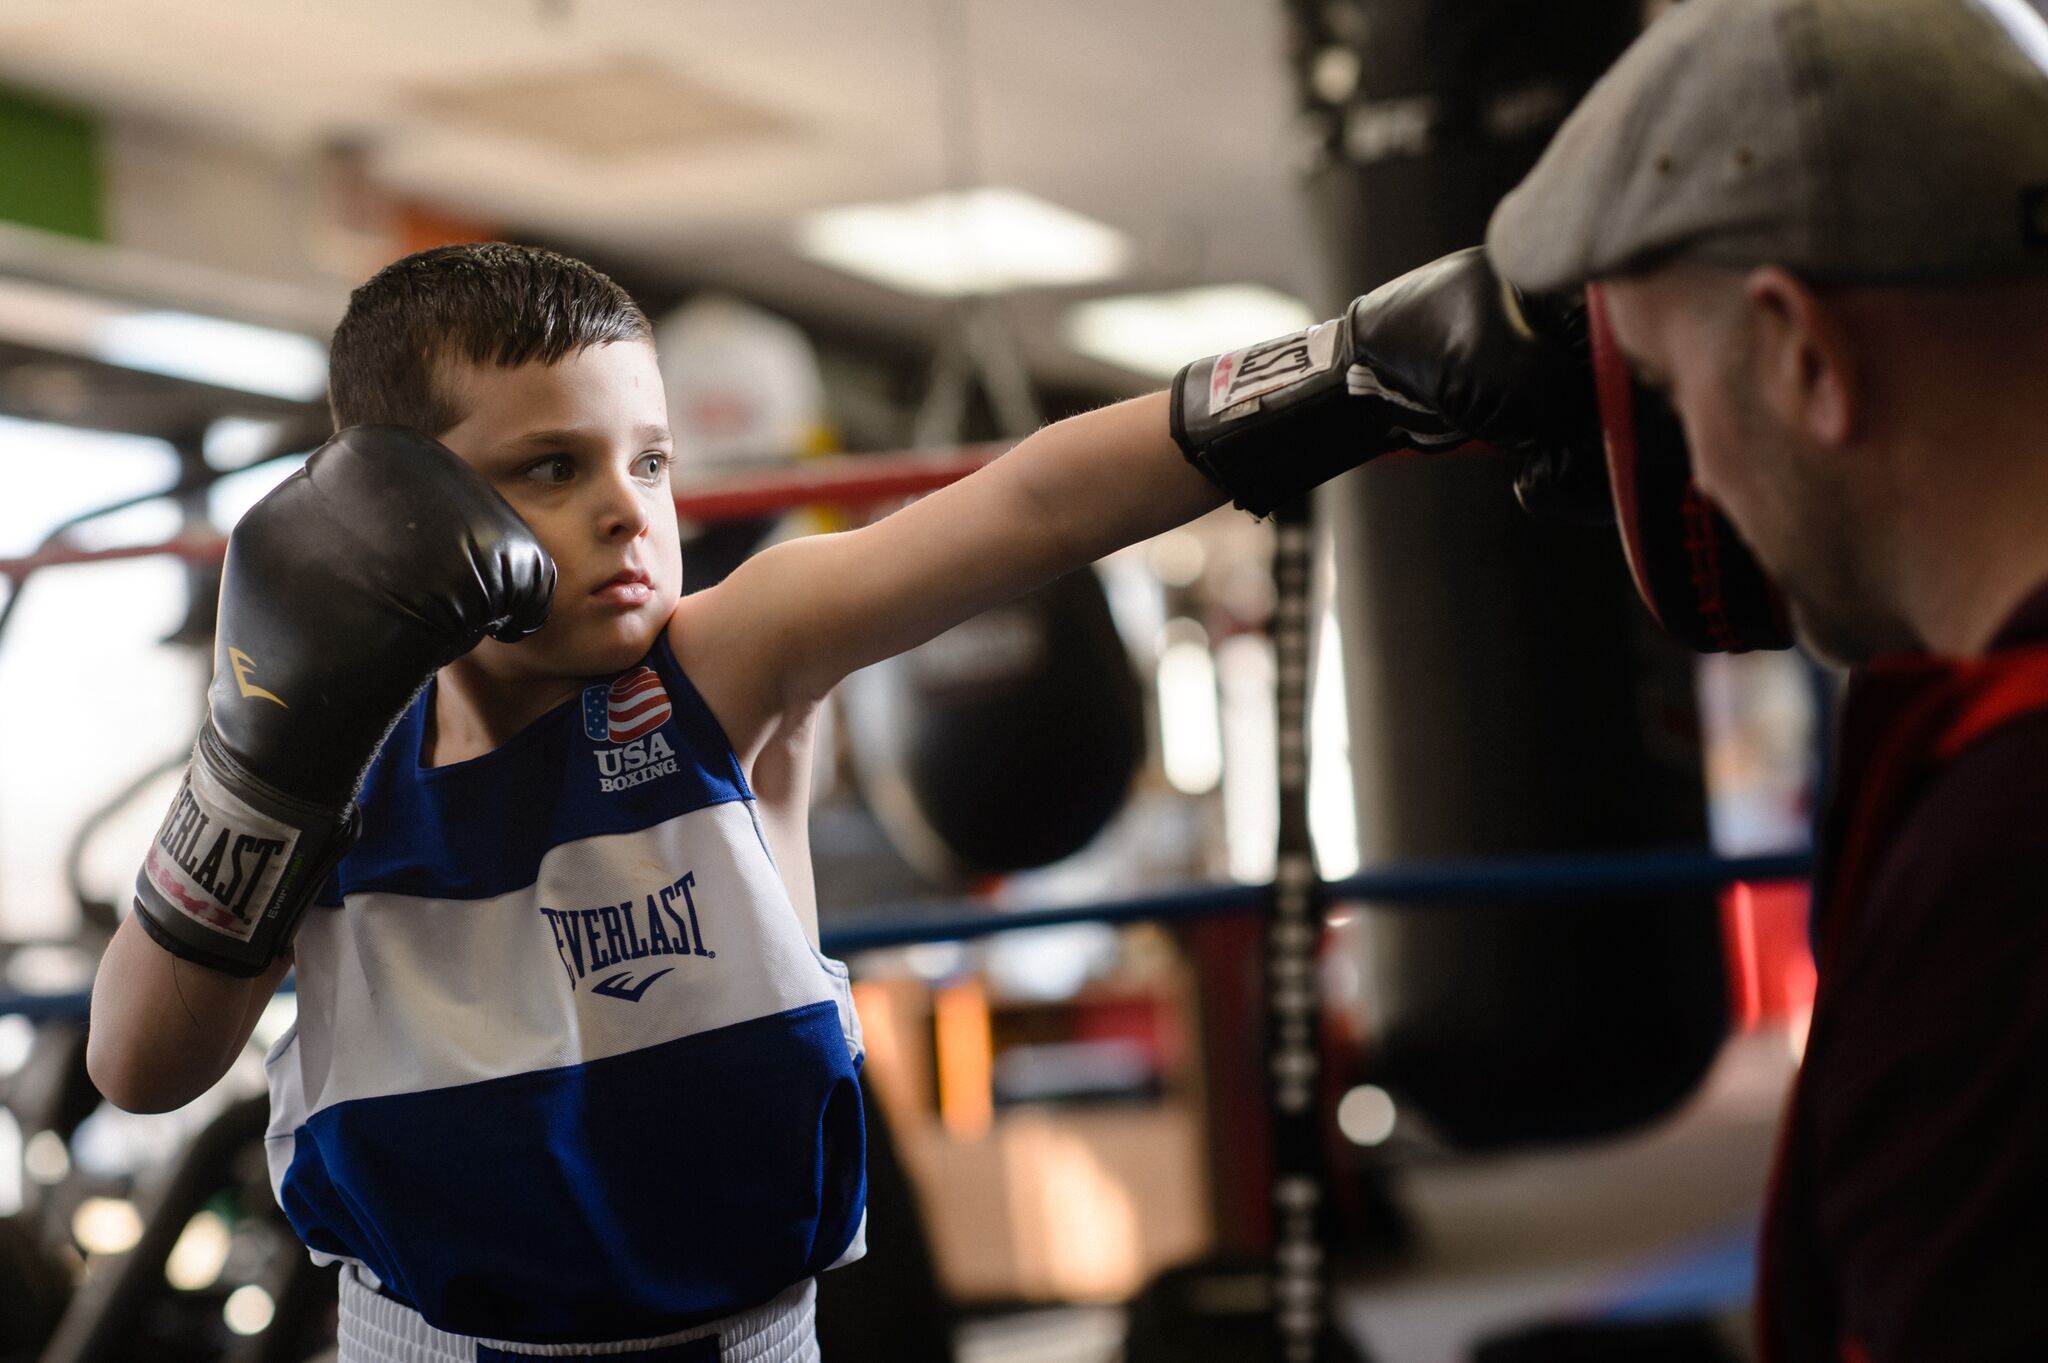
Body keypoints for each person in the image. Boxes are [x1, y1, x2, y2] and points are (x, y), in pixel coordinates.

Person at [85, 240, 1571, 1361]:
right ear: (398, 503)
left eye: (649, 461)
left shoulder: (725, 661)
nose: (628, 509)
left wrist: (1340, 375)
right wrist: (260, 774)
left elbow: (1027, 507)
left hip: (755, 1338)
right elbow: (142, 1065)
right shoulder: (323, 760)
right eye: (550, 467)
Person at [1482, 0, 2048, 1358]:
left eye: (1677, 399)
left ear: (1806, 358)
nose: (1705, 483)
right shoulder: (1975, 758)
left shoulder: (2003, 870)